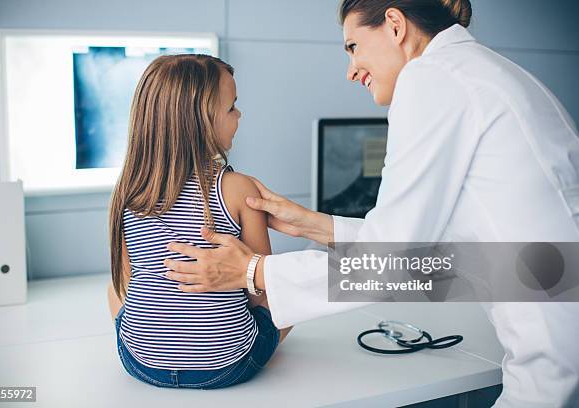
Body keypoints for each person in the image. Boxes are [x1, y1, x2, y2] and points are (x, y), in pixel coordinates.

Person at [162, 0, 579, 406]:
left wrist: (254, 270)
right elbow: (439, 253)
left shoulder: (431, 78)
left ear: (395, 25)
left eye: (352, 46)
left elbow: (397, 259)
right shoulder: (481, 72)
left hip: (556, 345)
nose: (350, 71)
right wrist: (313, 225)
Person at [106, 54, 291, 390]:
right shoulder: (238, 189)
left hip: (140, 363)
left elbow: (124, 282)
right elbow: (262, 289)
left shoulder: (128, 194)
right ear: (202, 120)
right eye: (232, 107)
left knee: (114, 290)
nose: (240, 115)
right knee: (284, 306)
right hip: (227, 367)